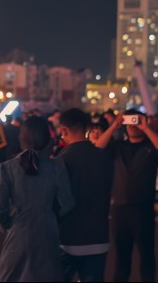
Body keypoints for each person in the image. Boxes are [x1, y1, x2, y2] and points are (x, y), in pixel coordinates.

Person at [0, 115, 75, 281]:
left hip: (18, 231)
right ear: (46, 137)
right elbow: (67, 202)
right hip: (47, 232)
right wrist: (51, 216)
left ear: (22, 136)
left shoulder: (7, 168)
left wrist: (8, 225)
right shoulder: (56, 166)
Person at [95, 109, 158, 282]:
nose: (133, 125)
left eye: (136, 121)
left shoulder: (150, 147)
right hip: (120, 210)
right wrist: (114, 125)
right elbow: (99, 147)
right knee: (122, 258)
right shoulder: (118, 146)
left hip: (143, 209)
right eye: (129, 121)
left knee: (146, 256)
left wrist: (146, 128)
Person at [57, 108, 113, 282]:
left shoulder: (62, 159)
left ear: (64, 130)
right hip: (98, 237)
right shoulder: (103, 157)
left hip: (68, 239)